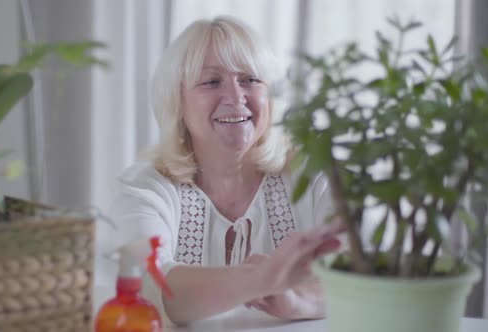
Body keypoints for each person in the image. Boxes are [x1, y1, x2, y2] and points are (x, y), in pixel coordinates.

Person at [107, 15, 343, 325]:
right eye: (211, 81)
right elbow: (151, 288)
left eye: (250, 80)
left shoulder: (314, 176)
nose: (235, 97)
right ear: (177, 103)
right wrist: (257, 279)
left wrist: (299, 302)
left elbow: (371, 276)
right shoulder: (144, 189)